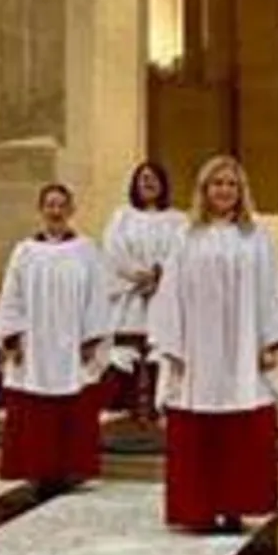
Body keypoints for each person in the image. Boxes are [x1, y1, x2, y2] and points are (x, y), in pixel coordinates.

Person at [149, 155, 278, 532]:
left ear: (241, 191)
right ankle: (199, 507)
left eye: (231, 184)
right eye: (217, 183)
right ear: (204, 189)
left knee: (242, 426)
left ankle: (235, 505)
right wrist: (172, 346)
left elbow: (272, 291)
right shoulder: (186, 236)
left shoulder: (257, 237)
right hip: (198, 351)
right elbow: (170, 294)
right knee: (199, 426)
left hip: (245, 350)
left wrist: (271, 340)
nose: (224, 190)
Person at [0, 184, 110, 491]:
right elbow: (12, 296)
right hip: (34, 343)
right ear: (41, 209)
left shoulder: (86, 251)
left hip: (73, 342)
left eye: (61, 205)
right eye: (50, 205)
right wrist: (12, 337)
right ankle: (36, 467)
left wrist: (91, 338)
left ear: (71, 210)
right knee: (34, 407)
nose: (55, 211)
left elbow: (97, 296)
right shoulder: (24, 252)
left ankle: (71, 467)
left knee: (75, 402)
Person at [101, 162, 188, 417]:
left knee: (160, 348)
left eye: (153, 178)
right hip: (130, 294)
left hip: (164, 294)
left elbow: (181, 254)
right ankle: (123, 405)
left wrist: (160, 275)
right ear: (135, 184)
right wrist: (136, 274)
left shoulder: (178, 220)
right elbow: (112, 251)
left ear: (163, 184)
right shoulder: (122, 217)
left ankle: (157, 404)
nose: (148, 183)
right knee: (123, 350)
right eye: (143, 178)